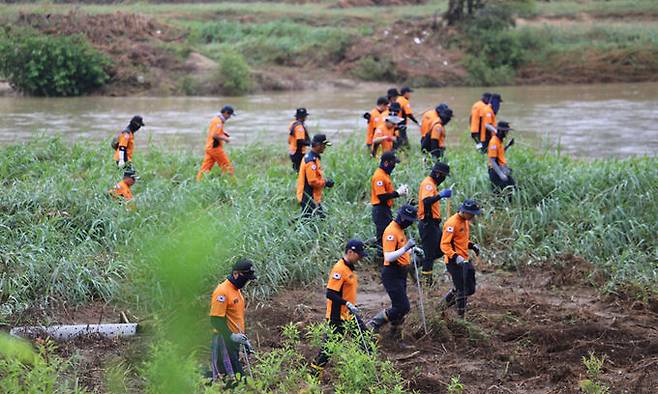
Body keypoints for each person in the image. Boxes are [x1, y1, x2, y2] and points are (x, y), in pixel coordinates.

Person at [311, 239, 369, 375]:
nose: (360, 258)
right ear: (350, 252)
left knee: (365, 339)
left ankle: (366, 372)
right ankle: (313, 376)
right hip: (337, 317)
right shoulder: (339, 269)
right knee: (327, 350)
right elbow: (330, 293)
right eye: (358, 255)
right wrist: (346, 303)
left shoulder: (349, 268)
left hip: (350, 314)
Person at [367, 204, 419, 340]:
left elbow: (400, 250)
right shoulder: (391, 231)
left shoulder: (400, 229)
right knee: (403, 306)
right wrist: (406, 247)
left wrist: (411, 250)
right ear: (401, 217)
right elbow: (389, 256)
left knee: (400, 307)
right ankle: (373, 324)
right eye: (407, 220)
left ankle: (395, 336)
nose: (409, 223)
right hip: (392, 273)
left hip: (401, 272)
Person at [209, 260, 257, 384]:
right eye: (245, 278)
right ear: (236, 274)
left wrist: (244, 339)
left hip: (233, 341)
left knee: (235, 378)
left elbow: (235, 317)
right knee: (235, 380)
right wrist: (232, 335)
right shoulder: (222, 292)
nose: (246, 282)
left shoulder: (236, 290)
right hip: (224, 341)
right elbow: (215, 320)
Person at [440, 199, 482, 318]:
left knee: (470, 289)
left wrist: (472, 245)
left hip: (465, 260)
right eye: (472, 213)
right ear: (464, 211)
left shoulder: (465, 221)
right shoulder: (451, 223)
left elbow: (461, 240)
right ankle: (461, 318)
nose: (473, 216)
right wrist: (455, 256)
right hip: (454, 262)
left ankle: (443, 305)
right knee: (462, 290)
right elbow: (444, 245)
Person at [417, 162, 451, 287]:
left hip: (434, 224)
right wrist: (440, 195)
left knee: (441, 248)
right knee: (430, 254)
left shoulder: (432, 184)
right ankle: (427, 283)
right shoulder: (428, 184)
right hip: (428, 223)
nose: (444, 179)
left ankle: (417, 262)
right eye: (444, 176)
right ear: (438, 174)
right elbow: (426, 202)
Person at [371, 151, 408, 261]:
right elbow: (381, 196)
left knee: (385, 233)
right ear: (386, 163)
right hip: (380, 209)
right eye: (393, 163)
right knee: (383, 234)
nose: (394, 166)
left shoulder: (385, 175)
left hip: (385, 209)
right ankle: (381, 260)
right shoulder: (379, 176)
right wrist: (397, 193)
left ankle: (384, 258)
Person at [296, 134, 333, 218]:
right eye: (324, 145)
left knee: (317, 218)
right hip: (308, 196)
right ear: (318, 145)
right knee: (310, 220)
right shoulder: (310, 161)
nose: (325, 147)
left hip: (312, 196)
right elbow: (312, 182)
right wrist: (326, 183)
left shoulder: (314, 158)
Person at [196, 106, 235, 180]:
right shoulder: (218, 121)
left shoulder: (217, 119)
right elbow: (215, 135)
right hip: (215, 148)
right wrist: (226, 139)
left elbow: (214, 131)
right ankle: (230, 183)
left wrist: (223, 133)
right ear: (226, 113)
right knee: (227, 167)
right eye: (229, 115)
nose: (230, 117)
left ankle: (198, 182)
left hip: (209, 148)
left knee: (205, 168)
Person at [487, 121, 516, 193]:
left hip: (501, 169)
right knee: (498, 192)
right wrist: (501, 175)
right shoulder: (494, 142)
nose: (506, 134)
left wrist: (508, 145)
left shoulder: (499, 141)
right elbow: (492, 160)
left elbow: (500, 153)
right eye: (505, 132)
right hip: (495, 171)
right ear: (500, 131)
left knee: (512, 187)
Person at [288, 108, 311, 172]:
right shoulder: (299, 127)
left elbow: (290, 140)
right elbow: (300, 141)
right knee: (300, 170)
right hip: (298, 152)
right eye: (305, 116)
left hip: (292, 151)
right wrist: (310, 143)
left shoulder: (293, 124)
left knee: (296, 169)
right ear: (303, 117)